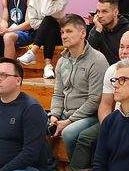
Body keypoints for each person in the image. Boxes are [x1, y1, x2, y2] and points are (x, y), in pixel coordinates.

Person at [70, 29, 129, 171]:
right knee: (85, 137)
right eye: (121, 47)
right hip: (117, 119)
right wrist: (108, 128)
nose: (124, 51)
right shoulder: (112, 70)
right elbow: (105, 104)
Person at [47, 14, 109, 158]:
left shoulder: (97, 60)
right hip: (65, 113)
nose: (64, 36)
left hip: (89, 116)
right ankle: (50, 168)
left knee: (69, 133)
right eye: (62, 32)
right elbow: (58, 93)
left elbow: (94, 100)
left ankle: (78, 170)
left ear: (82, 33)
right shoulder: (62, 61)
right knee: (37, 124)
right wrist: (54, 115)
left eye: (69, 31)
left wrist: (69, 121)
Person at [17, 0, 69, 79]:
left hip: (58, 34)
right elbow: (33, 23)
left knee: (49, 20)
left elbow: (46, 12)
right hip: (40, 34)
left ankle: (32, 53)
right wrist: (45, 26)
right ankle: (48, 67)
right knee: (48, 24)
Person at [88, 0, 129, 65]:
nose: (100, 15)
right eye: (98, 11)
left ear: (115, 12)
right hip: (104, 69)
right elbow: (88, 54)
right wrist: (98, 31)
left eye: (104, 11)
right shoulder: (98, 28)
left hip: (125, 67)